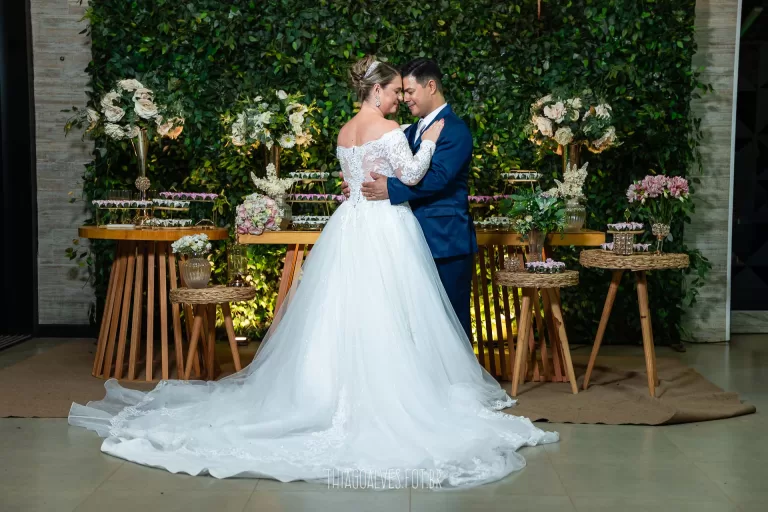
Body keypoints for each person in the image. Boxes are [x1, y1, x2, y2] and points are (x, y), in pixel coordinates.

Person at [68, 55, 557, 490]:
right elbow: (410, 176)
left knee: (347, 310)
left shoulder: (346, 132)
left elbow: (387, 177)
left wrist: (404, 162)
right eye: (392, 91)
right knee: (389, 311)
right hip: (385, 228)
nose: (397, 99)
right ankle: (395, 396)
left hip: (350, 227)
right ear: (376, 90)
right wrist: (425, 143)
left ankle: (327, 391)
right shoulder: (392, 130)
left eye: (403, 92)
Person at [343, 57, 476, 341]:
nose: (404, 99)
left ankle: (458, 382)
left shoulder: (454, 130)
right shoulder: (409, 129)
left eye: (410, 92)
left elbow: (438, 178)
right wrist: (359, 184)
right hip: (406, 242)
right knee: (416, 328)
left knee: (450, 326)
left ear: (431, 87)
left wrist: (390, 189)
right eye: (400, 92)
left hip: (445, 242)